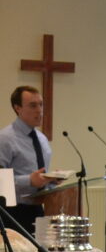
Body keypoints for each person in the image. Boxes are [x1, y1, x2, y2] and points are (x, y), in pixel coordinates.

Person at [0, 85, 61, 232]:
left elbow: (39, 178)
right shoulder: (5, 138)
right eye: (33, 105)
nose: (39, 110)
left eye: (41, 104)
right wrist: (29, 180)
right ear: (17, 108)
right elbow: (1, 180)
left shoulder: (42, 139)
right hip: (12, 213)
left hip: (39, 210)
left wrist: (51, 179)